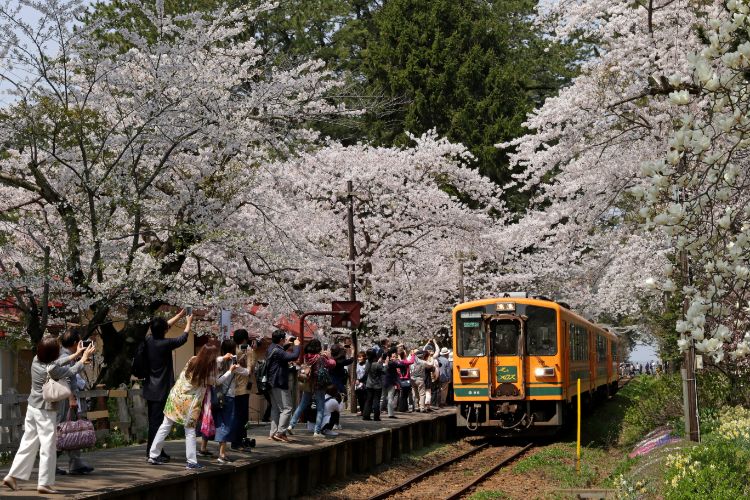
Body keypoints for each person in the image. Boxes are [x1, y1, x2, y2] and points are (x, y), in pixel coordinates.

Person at [3, 336, 95, 494]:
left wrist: (76, 355)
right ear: (52, 354)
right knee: (48, 446)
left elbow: (57, 363)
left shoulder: (35, 360)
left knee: (28, 443)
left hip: (32, 407)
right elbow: (70, 370)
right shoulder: (51, 369)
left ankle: (13, 476)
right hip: (45, 410)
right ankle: (44, 483)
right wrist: (83, 359)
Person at [149, 344, 235, 469]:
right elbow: (217, 381)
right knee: (190, 432)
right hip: (188, 405)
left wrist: (223, 358)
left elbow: (207, 360)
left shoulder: (193, 359)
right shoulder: (205, 375)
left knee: (165, 426)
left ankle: (153, 455)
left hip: (175, 398)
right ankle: (191, 462)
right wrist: (229, 371)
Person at [142, 309, 190, 462]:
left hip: (150, 388)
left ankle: (156, 450)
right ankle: (153, 453)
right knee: (158, 423)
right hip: (161, 389)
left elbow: (163, 326)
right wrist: (188, 322)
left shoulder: (149, 340)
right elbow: (183, 338)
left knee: (155, 422)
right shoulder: (165, 344)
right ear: (163, 330)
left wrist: (180, 315)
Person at [56, 328, 94, 476]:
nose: (81, 344)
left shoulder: (67, 355)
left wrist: (82, 358)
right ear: (73, 343)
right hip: (65, 398)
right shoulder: (64, 356)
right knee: (61, 430)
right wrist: (71, 397)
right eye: (79, 341)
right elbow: (66, 377)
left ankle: (76, 462)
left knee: (72, 428)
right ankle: (51, 463)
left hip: (67, 396)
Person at [210, 339, 248, 464]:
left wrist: (222, 358)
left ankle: (210, 450)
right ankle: (222, 454)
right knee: (226, 424)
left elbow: (215, 361)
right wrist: (250, 357)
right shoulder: (233, 365)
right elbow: (247, 372)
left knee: (218, 422)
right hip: (228, 397)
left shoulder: (217, 362)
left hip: (216, 397)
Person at [289, 339, 336, 438]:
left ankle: (291, 425)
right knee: (320, 408)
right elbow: (332, 364)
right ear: (318, 348)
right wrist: (329, 356)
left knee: (302, 405)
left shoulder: (307, 356)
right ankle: (317, 431)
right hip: (319, 385)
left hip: (308, 383)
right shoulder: (320, 357)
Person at [266, 330, 301, 443]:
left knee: (276, 408)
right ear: (281, 340)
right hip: (279, 382)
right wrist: (297, 346)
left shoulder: (271, 348)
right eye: (284, 339)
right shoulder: (278, 351)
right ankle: (280, 433)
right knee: (287, 408)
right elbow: (294, 356)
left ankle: (273, 433)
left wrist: (287, 344)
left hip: (271, 382)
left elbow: (280, 353)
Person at [230, 329, 253, 452]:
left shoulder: (232, 349)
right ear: (245, 339)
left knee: (236, 415)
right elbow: (251, 367)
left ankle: (237, 440)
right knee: (242, 417)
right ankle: (238, 442)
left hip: (233, 387)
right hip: (243, 388)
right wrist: (250, 353)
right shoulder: (247, 350)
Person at [384, 349, 414, 418]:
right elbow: (402, 365)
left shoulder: (388, 363)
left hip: (387, 382)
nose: (395, 358)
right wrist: (402, 359)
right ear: (390, 357)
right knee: (390, 398)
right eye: (394, 357)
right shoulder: (392, 363)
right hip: (390, 382)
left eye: (396, 356)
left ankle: (388, 412)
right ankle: (390, 414)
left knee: (387, 397)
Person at [362, 349, 385, 421]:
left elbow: (365, 373)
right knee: (376, 401)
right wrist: (385, 364)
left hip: (369, 384)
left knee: (368, 400)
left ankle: (366, 415)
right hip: (377, 385)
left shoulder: (367, 363)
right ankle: (376, 416)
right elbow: (384, 371)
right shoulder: (377, 364)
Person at [354, 351, 367, 415]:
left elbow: (366, 375)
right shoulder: (357, 364)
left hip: (364, 382)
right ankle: (362, 411)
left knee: (364, 397)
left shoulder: (366, 365)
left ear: (364, 357)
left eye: (360, 357)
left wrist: (360, 380)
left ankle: (365, 411)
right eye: (358, 357)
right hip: (358, 383)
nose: (359, 358)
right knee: (359, 398)